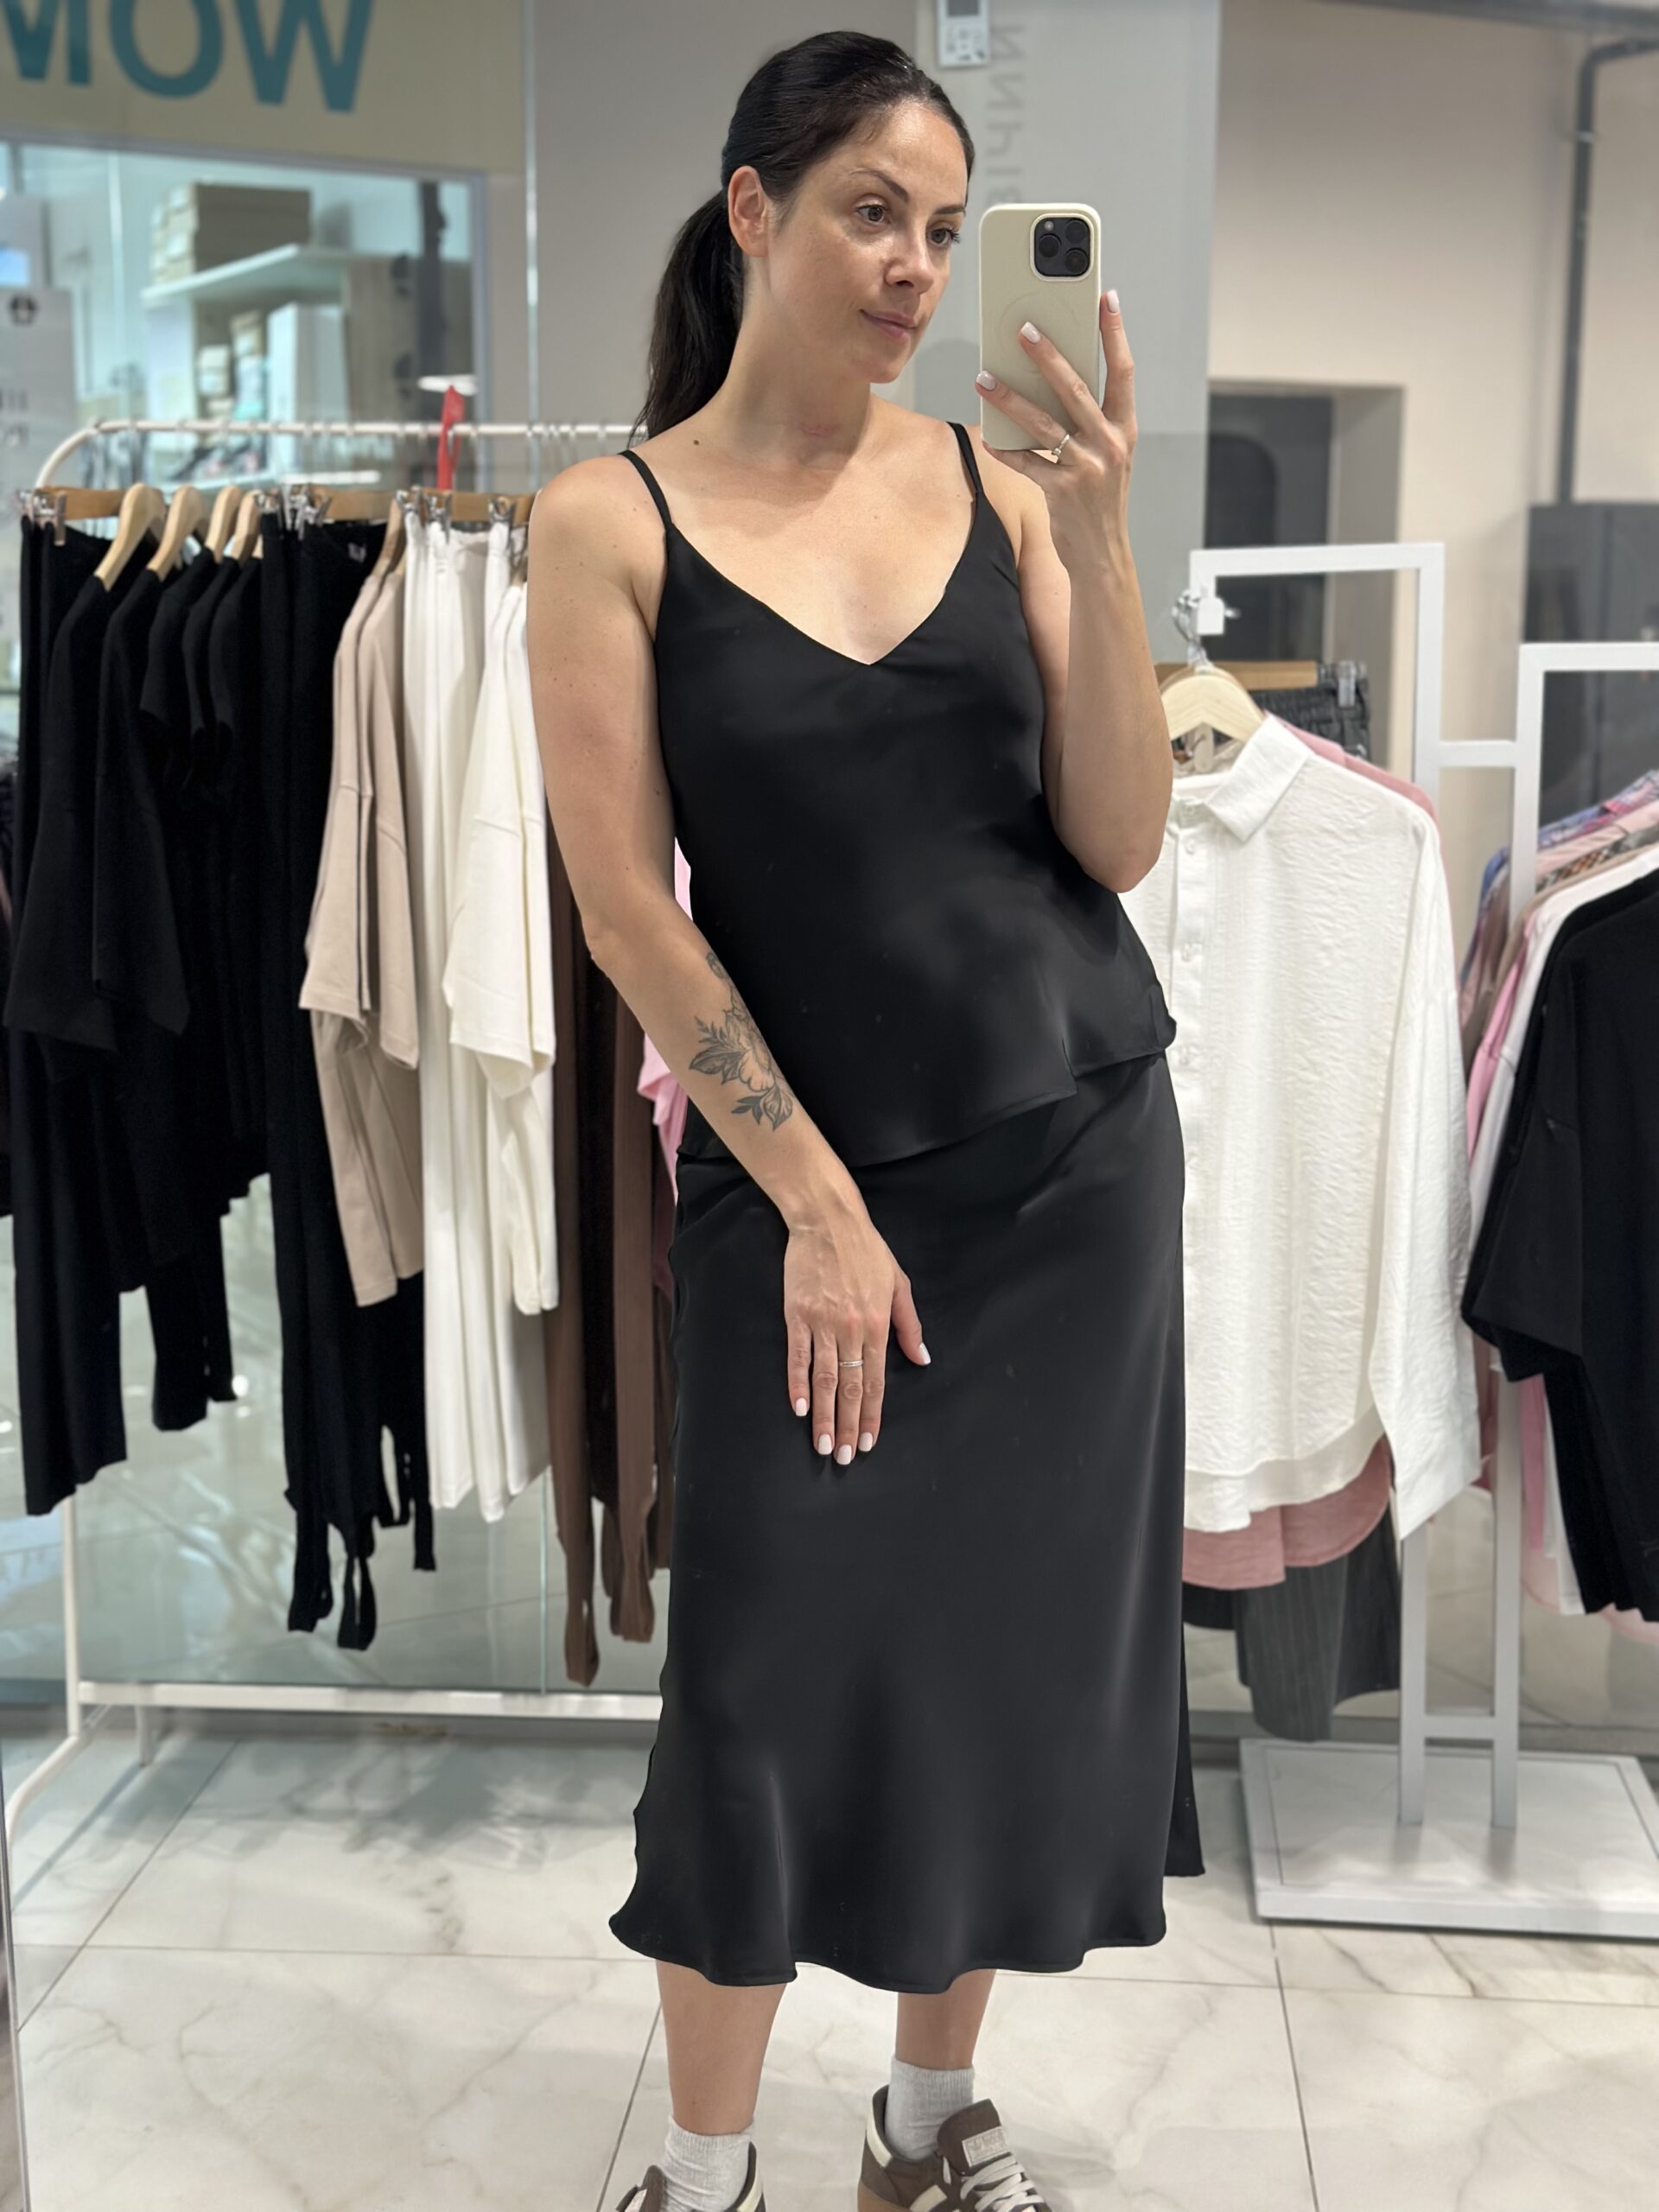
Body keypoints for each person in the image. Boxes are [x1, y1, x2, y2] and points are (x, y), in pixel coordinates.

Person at [525, 30, 1201, 2212]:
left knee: (993, 1670)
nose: (915, 265)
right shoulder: (607, 522)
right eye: (870, 214)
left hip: (1076, 1165)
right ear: (754, 211)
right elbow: (628, 907)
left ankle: (924, 2121)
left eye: (942, 226)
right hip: (805, 1186)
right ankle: (706, 2167)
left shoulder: (1001, 492)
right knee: (756, 1681)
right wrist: (813, 1197)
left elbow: (1119, 837)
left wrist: (1099, 539)